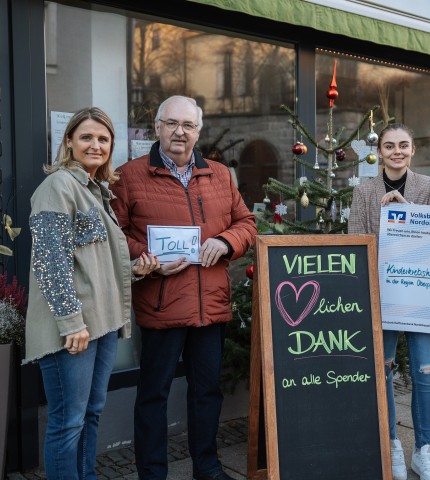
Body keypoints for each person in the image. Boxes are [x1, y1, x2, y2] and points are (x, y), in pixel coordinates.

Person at [110, 95, 257, 480]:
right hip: (161, 303)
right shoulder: (129, 176)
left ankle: (207, 467)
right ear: (157, 127)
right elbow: (113, 234)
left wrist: (225, 242)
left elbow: (247, 224)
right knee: (153, 395)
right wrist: (147, 257)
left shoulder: (221, 175)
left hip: (210, 305)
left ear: (198, 131)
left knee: (207, 392)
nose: (180, 131)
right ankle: (153, 472)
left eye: (188, 125)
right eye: (172, 123)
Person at [23, 107, 159, 479]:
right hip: (74, 330)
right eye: (86, 137)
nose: (95, 145)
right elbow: (51, 262)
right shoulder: (58, 186)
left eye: (103, 138)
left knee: (90, 414)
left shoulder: (98, 190)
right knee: (68, 422)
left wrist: (136, 270)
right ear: (68, 141)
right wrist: (71, 323)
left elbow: (93, 263)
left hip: (101, 324)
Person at [349, 123, 430, 480]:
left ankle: (425, 450)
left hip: (422, 295)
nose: (397, 151)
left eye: (403, 145)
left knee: (425, 374)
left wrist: (408, 212)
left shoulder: (427, 187)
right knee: (383, 372)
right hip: (381, 296)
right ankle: (391, 444)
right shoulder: (364, 191)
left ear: (413, 149)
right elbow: (356, 242)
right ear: (380, 152)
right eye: (390, 146)